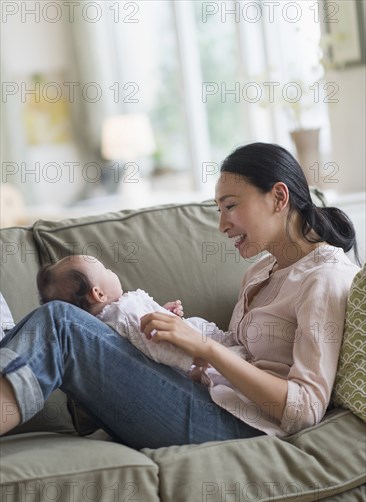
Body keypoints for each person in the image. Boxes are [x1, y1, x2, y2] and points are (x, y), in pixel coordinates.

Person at [0, 142, 360, 448]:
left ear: (278, 197)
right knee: (67, 324)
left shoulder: (324, 277)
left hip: (238, 426)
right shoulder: (260, 272)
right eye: (219, 210)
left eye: (231, 206)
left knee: (61, 324)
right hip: (208, 398)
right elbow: (236, 353)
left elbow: (304, 410)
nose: (222, 225)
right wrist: (190, 342)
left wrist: (206, 349)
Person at [36, 255, 232, 373]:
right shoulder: (123, 313)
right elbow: (155, 345)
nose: (111, 270)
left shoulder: (115, 317)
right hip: (204, 358)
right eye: (106, 270)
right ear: (99, 294)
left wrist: (162, 313)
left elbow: (142, 339)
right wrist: (196, 359)